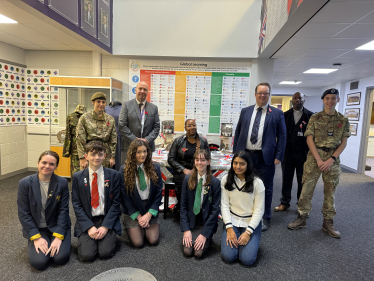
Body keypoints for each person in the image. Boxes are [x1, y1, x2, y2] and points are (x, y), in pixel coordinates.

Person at [288, 88, 350, 238]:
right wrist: (318, 159)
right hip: (314, 158)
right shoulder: (315, 118)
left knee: (330, 192)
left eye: (333, 98)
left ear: (338, 100)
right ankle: (302, 217)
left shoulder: (343, 120)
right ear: (323, 100)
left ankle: (328, 222)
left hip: (332, 160)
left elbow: (344, 142)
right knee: (306, 189)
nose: (330, 101)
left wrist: (331, 159)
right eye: (327, 98)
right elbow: (309, 138)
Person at [233, 82, 286, 231]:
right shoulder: (245, 111)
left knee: (266, 188)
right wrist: (236, 153)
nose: (262, 95)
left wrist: (279, 155)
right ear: (255, 94)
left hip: (265, 157)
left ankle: (265, 217)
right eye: (260, 93)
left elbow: (282, 136)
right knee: (243, 185)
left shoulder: (277, 113)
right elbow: (238, 133)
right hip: (245, 156)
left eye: (266, 93)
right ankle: (245, 213)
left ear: (269, 95)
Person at [17, 151, 71, 270]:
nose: (47, 166)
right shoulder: (25, 183)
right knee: (39, 263)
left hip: (57, 226)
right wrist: (36, 238)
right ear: (38, 163)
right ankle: (41, 240)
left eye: (51, 164)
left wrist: (58, 238)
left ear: (56, 167)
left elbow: (63, 211)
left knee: (60, 258)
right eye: (44, 162)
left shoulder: (62, 183)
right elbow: (23, 213)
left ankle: (59, 239)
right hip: (37, 228)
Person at [72, 141, 121, 261]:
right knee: (87, 256)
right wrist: (89, 227)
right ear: (86, 156)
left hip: (106, 218)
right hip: (88, 219)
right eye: (93, 154)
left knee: (105, 253)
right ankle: (90, 235)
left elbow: (116, 203)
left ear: (105, 156)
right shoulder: (78, 177)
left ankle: (110, 235)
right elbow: (77, 204)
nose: (97, 157)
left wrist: (105, 226)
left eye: (100, 154)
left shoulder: (113, 175)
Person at [221, 151, 265, 266]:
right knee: (229, 257)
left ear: (248, 165)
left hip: (250, 222)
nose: (238, 167)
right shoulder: (226, 179)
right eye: (235, 163)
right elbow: (224, 205)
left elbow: (259, 210)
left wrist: (248, 232)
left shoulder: (257, 183)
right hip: (233, 221)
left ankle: (250, 241)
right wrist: (229, 229)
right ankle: (239, 242)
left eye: (242, 164)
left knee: (247, 260)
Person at [120, 139, 163, 247]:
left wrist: (148, 215)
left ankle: (146, 222)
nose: (142, 155)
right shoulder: (124, 170)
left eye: (144, 151)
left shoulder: (155, 168)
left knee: (153, 240)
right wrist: (139, 217)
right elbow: (125, 197)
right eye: (138, 152)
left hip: (149, 207)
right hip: (133, 208)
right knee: (138, 243)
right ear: (133, 153)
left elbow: (158, 192)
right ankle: (128, 222)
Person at [275, 92, 313, 211]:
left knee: (302, 180)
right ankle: (284, 202)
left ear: (304, 100)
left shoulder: (310, 116)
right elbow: (279, 134)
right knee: (286, 179)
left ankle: (300, 204)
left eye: (300, 98)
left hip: (303, 154)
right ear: (292, 100)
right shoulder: (284, 115)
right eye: (295, 98)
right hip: (287, 153)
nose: (297, 100)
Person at [180, 149, 221, 259]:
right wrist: (186, 230)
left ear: (208, 161)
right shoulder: (188, 179)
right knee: (188, 252)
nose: (199, 163)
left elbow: (215, 211)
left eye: (203, 160)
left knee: (198, 254)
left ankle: (208, 237)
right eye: (197, 160)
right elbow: (183, 206)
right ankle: (192, 234)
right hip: (191, 222)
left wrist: (204, 235)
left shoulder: (215, 183)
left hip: (206, 223)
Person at [168, 119, 210, 205]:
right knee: (186, 181)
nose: (192, 127)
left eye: (194, 125)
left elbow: (208, 158)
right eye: (189, 126)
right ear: (185, 128)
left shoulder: (203, 141)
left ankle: (198, 207)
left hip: (199, 171)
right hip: (181, 172)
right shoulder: (178, 141)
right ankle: (183, 207)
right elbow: (171, 159)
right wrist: (183, 169)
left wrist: (199, 170)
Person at [119, 81, 160, 163]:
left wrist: (147, 140)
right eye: (140, 89)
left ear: (147, 92)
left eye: (145, 89)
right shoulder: (126, 105)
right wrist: (135, 140)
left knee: (146, 172)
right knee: (128, 172)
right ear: (135, 90)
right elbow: (122, 125)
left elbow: (156, 127)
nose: (142, 91)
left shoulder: (153, 108)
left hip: (147, 148)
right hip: (129, 146)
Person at [76, 92, 117, 169]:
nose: (101, 104)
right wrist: (82, 158)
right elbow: (80, 139)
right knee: (87, 177)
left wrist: (112, 157)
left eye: (103, 102)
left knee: (104, 178)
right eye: (98, 101)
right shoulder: (85, 118)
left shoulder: (110, 119)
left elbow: (113, 139)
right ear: (93, 102)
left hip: (105, 155)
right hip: (89, 154)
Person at [63, 104, 87, 178]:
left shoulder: (70, 117)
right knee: (81, 171)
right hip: (81, 148)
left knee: (76, 171)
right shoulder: (87, 117)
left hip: (78, 148)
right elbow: (68, 134)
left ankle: (76, 187)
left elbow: (68, 135)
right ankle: (80, 188)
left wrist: (66, 151)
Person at [105, 101, 122, 171]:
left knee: (118, 162)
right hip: (107, 138)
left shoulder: (123, 108)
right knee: (107, 162)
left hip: (120, 137)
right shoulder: (106, 109)